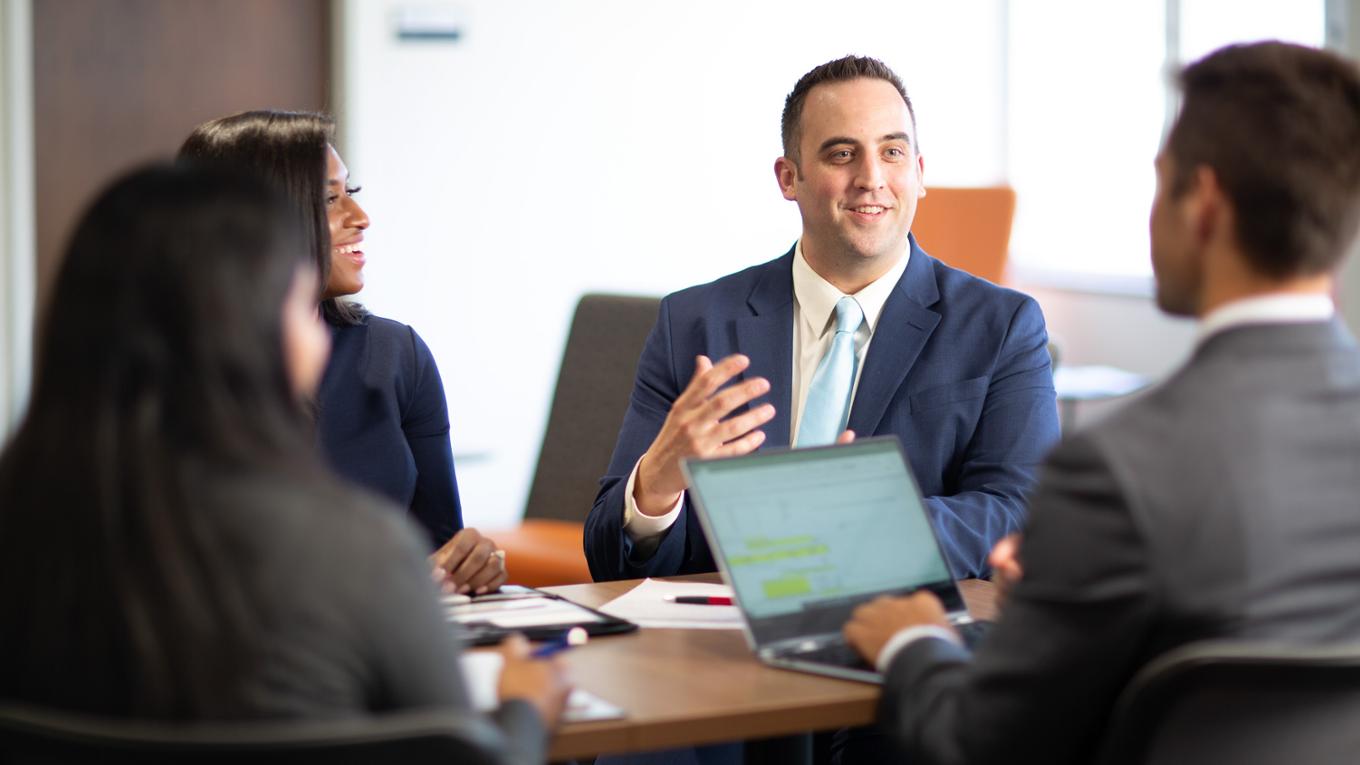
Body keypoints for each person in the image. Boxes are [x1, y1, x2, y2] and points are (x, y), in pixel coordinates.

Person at [842, 41, 1360, 764]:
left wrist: (911, 638)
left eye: (1160, 183)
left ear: (1202, 204)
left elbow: (976, 745)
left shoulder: (1120, 468)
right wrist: (1069, 594)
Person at [0, 165, 567, 759]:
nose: (323, 338)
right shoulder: (357, 549)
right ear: (245, 334)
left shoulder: (24, 530)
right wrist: (525, 709)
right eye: (300, 307)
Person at [584, 55, 1060, 582]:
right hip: (715, 642)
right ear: (790, 178)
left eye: (893, 152)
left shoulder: (1002, 325)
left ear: (919, 175)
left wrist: (863, 527)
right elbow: (608, 559)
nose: (872, 178)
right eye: (841, 154)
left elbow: (1021, 515)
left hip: (896, 635)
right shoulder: (694, 323)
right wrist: (654, 483)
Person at [179, 111, 505, 595]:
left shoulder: (397, 356)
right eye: (330, 199)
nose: (361, 218)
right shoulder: (172, 379)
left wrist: (467, 567)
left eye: (350, 193)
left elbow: (436, 549)